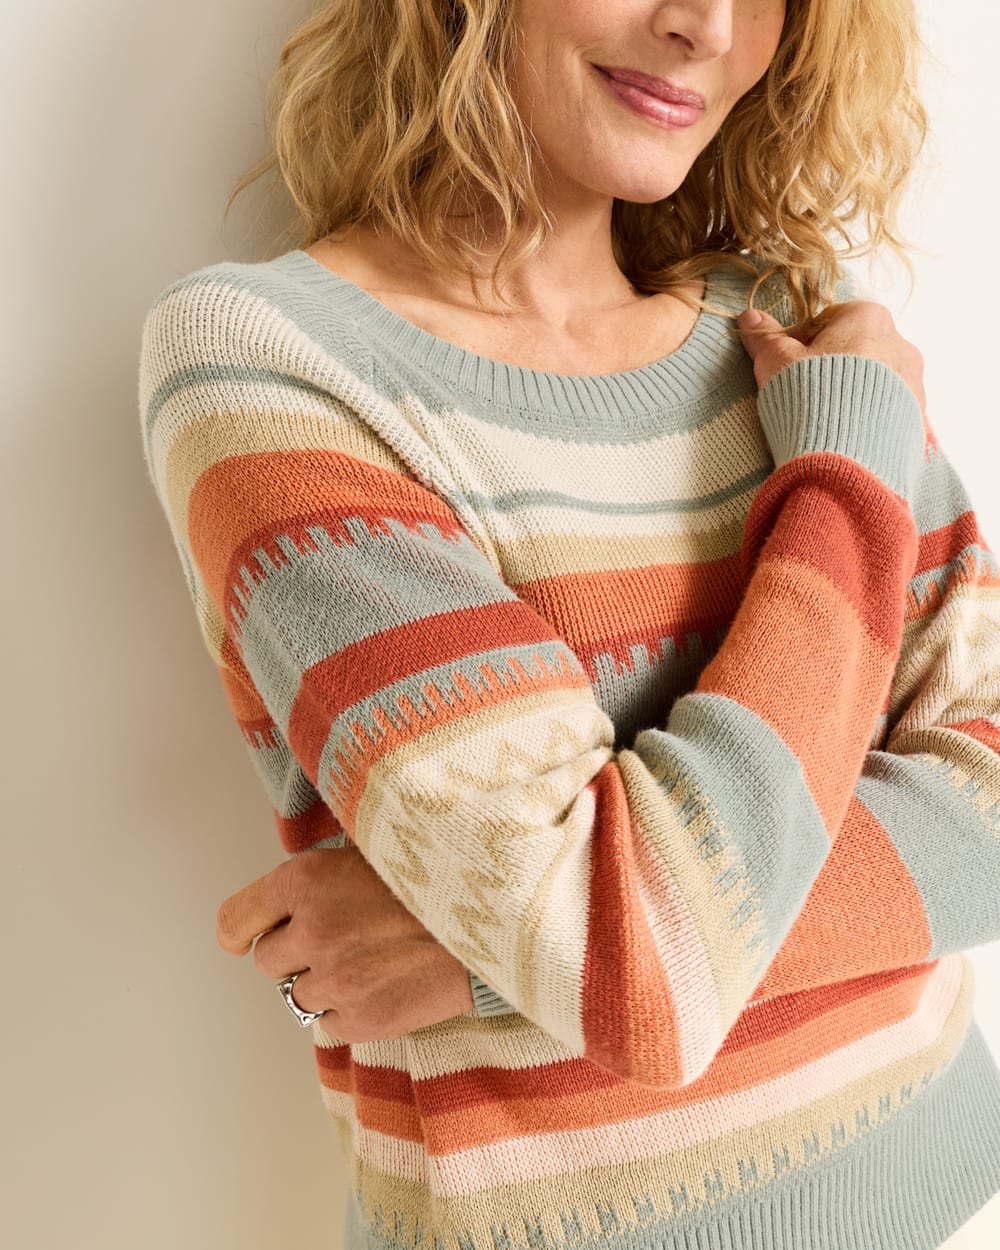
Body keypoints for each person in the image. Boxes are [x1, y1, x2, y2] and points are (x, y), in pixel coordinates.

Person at [139, 1, 1000, 1247]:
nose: (704, 24)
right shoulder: (272, 359)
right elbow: (636, 962)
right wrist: (845, 479)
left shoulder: (790, 316)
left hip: (944, 1190)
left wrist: (493, 948)